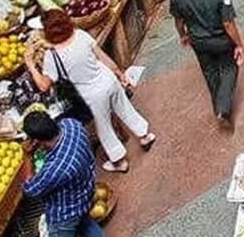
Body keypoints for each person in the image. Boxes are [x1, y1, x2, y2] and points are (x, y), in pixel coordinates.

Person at [25, 9, 155, 171]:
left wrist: (30, 65)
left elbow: (44, 86)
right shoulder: (80, 35)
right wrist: (119, 74)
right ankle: (145, 136)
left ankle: (120, 162)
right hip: (108, 79)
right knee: (125, 108)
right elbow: (102, 57)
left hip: (93, 94)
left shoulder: (53, 56)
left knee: (104, 126)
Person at [22, 112, 119, 237]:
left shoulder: (55, 168)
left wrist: (28, 156)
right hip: (85, 193)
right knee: (89, 226)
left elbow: (30, 189)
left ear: (37, 141)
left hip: (64, 214)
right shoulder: (71, 124)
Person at [170, 0, 244, 128]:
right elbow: (228, 23)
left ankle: (217, 106)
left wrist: (183, 35)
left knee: (209, 72)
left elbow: (178, 20)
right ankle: (223, 109)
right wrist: (239, 44)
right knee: (229, 68)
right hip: (221, 41)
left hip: (198, 41)